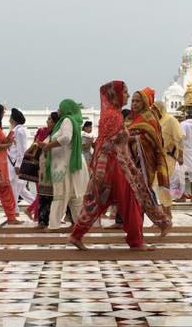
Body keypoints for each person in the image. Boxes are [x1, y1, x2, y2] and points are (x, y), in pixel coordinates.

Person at [70, 81, 171, 250]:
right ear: (115, 94)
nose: (128, 96)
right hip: (117, 166)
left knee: (99, 201)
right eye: (124, 92)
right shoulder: (115, 116)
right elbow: (108, 143)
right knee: (131, 200)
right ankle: (136, 241)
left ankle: (76, 234)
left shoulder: (112, 113)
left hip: (113, 165)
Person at [42, 100, 89, 229]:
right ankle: (81, 227)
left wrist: (49, 146)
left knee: (60, 195)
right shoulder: (71, 122)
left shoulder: (67, 121)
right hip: (72, 165)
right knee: (75, 197)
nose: (58, 110)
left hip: (65, 166)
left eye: (60, 107)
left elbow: (66, 138)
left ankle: (53, 225)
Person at [128, 88, 170, 219]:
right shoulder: (132, 117)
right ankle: (135, 221)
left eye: (138, 101)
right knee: (135, 191)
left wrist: (134, 138)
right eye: (133, 101)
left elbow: (155, 140)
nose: (134, 104)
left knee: (144, 189)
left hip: (146, 160)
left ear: (144, 102)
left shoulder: (150, 117)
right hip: (132, 159)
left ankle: (161, 219)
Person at [0, 103, 22, 225]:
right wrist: (8, 144)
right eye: (2, 113)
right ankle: (10, 217)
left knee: (2, 191)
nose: (3, 115)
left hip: (0, 163)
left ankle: (11, 217)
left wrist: (8, 139)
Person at [155, 100, 184, 219]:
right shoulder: (157, 122)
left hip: (169, 157)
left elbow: (180, 138)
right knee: (159, 186)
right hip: (158, 158)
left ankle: (166, 214)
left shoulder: (171, 120)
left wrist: (181, 155)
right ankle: (165, 214)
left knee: (163, 185)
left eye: (155, 109)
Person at [30, 111, 58, 229]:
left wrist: (43, 145)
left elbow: (55, 149)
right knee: (43, 195)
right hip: (43, 169)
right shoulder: (46, 133)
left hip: (51, 169)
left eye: (50, 120)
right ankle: (42, 221)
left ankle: (47, 221)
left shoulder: (56, 135)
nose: (47, 121)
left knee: (49, 196)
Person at [7, 108, 35, 207]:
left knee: (15, 189)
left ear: (13, 120)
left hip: (16, 165)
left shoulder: (20, 131)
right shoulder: (15, 130)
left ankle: (14, 211)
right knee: (21, 190)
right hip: (13, 164)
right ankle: (36, 206)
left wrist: (19, 165)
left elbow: (22, 150)